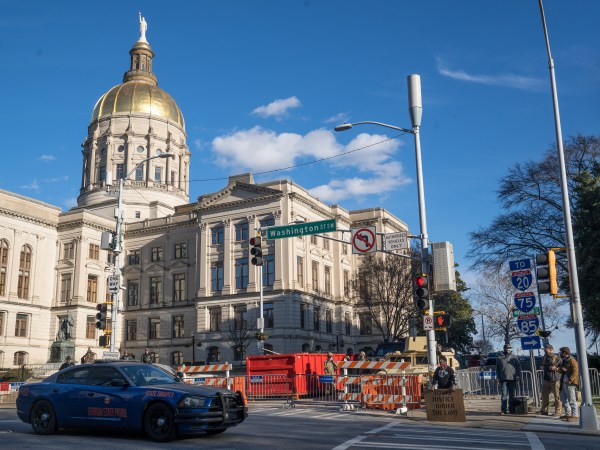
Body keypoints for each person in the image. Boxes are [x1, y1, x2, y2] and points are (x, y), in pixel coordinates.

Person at [496, 343, 521, 415]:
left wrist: (518, 376)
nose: (508, 349)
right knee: (504, 395)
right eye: (507, 348)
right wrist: (497, 378)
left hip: (512, 379)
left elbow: (518, 367)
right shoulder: (499, 358)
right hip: (503, 379)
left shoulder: (514, 357)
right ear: (504, 348)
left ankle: (511, 409)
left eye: (510, 348)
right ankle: (503, 410)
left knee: (511, 395)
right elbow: (497, 369)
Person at [539, 343, 562, 416]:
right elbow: (543, 365)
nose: (545, 351)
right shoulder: (544, 357)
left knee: (557, 397)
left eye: (546, 349)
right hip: (546, 379)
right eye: (544, 349)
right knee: (544, 396)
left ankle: (558, 411)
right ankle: (544, 410)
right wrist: (542, 367)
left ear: (551, 350)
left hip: (555, 379)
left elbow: (562, 368)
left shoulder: (557, 357)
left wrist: (556, 368)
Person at [558, 346, 579, 422]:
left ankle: (575, 415)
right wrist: (559, 369)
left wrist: (570, 380)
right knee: (564, 399)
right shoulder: (564, 360)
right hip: (563, 382)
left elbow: (575, 372)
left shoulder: (572, 360)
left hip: (570, 383)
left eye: (561, 352)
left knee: (572, 399)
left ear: (564, 353)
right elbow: (560, 370)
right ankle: (568, 414)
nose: (560, 354)